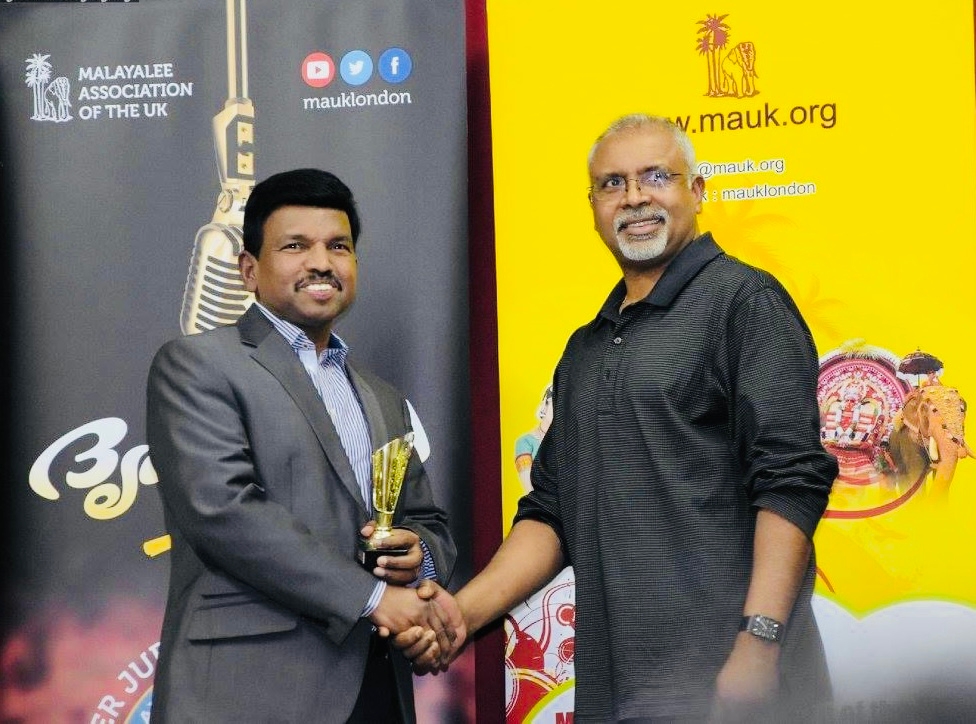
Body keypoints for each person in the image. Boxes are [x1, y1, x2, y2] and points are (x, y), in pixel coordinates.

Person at [400, 115, 839, 722]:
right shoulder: (585, 349)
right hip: (618, 691)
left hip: (730, 684)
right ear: (593, 208)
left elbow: (791, 480)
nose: (633, 197)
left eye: (656, 177)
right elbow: (552, 512)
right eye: (612, 183)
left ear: (698, 191)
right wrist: (461, 614)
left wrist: (759, 642)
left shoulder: (745, 302)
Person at [146, 168, 457, 723]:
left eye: (338, 246)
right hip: (249, 692)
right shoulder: (196, 365)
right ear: (248, 269)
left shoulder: (382, 397)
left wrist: (420, 557)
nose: (321, 262)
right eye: (295, 246)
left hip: (377, 684)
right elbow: (223, 510)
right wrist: (376, 599)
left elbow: (424, 518)